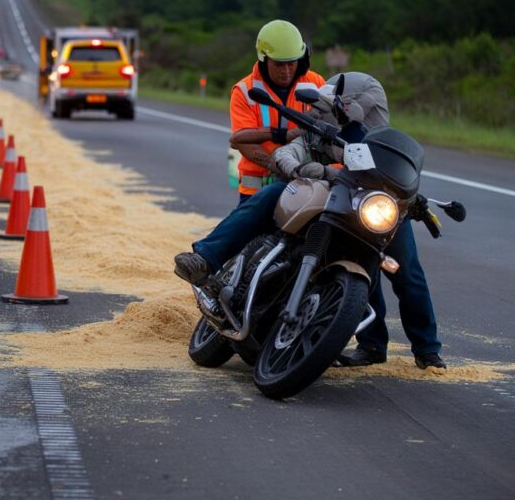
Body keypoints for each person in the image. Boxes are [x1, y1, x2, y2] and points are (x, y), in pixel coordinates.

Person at [174, 72, 446, 370]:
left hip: (374, 209)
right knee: (270, 196)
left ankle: (426, 351)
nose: (359, 111)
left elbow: (405, 178)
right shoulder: (319, 132)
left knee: (407, 275)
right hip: (329, 202)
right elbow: (288, 154)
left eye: (366, 107)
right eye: (346, 105)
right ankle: (206, 258)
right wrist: (308, 168)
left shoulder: (387, 148)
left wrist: (415, 199)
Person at [228, 20, 325, 205]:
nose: (286, 71)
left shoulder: (316, 83)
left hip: (307, 188)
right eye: (279, 64)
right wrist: (279, 165)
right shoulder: (244, 91)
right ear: (264, 59)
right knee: (236, 234)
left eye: (291, 63)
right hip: (257, 192)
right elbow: (242, 143)